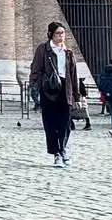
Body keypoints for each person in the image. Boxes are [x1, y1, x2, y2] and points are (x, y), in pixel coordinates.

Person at [30, 22, 80, 167]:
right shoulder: (43, 49)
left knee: (65, 122)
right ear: (51, 34)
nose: (61, 36)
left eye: (63, 33)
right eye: (58, 33)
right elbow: (36, 70)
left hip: (66, 88)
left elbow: (74, 74)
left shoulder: (68, 52)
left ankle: (63, 149)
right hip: (49, 89)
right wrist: (40, 85)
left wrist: (77, 96)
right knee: (50, 123)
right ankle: (56, 153)